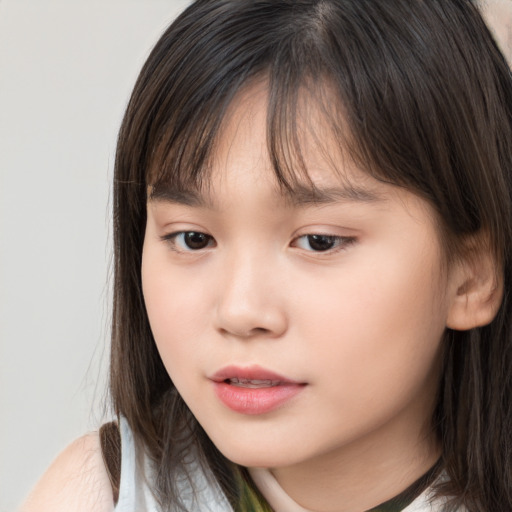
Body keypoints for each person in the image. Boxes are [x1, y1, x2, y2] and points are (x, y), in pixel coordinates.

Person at [22, 0, 512, 511]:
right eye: (192, 238)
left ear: (472, 277)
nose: (240, 311)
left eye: (319, 241)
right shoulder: (99, 495)